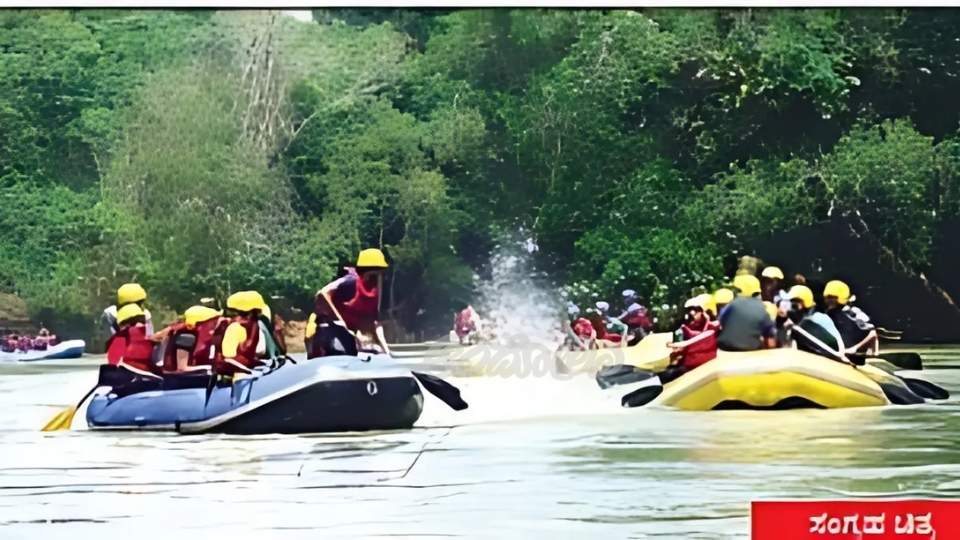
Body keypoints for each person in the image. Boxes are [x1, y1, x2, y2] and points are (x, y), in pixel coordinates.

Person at [318, 248, 391, 354]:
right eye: (374, 275)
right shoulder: (350, 281)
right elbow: (323, 293)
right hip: (330, 330)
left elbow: (375, 324)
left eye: (380, 274)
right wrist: (339, 320)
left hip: (351, 334)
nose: (378, 278)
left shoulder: (374, 292)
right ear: (365, 271)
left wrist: (387, 352)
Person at [661, 295, 720, 383]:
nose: (692, 312)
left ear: (706, 312)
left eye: (696, 309)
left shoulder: (713, 327)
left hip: (701, 368)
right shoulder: (687, 328)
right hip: (687, 366)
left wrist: (674, 345)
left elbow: (690, 342)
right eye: (690, 310)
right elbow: (680, 349)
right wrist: (676, 353)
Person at [211, 291, 268, 376]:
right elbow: (229, 359)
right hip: (231, 378)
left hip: (242, 371)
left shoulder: (253, 326)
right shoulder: (235, 328)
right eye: (258, 310)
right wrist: (250, 371)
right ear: (251, 312)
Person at [783, 284, 845, 360]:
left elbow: (838, 349)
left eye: (794, 305)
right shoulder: (792, 326)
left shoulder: (819, 319)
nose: (790, 309)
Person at [717, 274, 777, 351]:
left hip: (726, 347)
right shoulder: (762, 308)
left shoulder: (733, 304)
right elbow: (769, 335)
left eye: (738, 289)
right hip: (750, 349)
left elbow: (721, 321)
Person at [105, 304, 162, 379]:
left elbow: (112, 364)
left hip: (129, 379)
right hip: (153, 378)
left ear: (125, 323)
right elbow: (158, 359)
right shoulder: (154, 336)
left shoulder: (121, 336)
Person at [823, 280, 879, 355]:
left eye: (833, 297)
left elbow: (872, 333)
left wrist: (854, 348)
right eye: (828, 297)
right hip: (837, 354)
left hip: (855, 356)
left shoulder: (852, 312)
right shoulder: (829, 313)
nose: (829, 300)